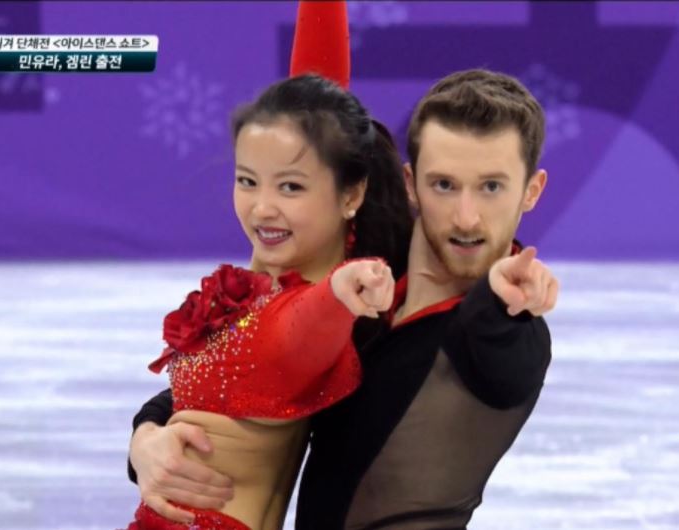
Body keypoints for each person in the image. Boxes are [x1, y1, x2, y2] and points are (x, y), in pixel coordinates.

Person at [128, 68, 558, 530]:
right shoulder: (364, 295)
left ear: (531, 192)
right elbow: (243, 377)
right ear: (411, 183)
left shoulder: (506, 331)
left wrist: (499, 298)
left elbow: (501, 349)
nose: (466, 217)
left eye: (491, 187)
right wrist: (147, 438)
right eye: (444, 185)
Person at [124, 72, 414, 530]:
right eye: (247, 180)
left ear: (352, 193)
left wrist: (345, 288)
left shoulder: (319, 304)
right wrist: (144, 437)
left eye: (290, 187)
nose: (261, 208)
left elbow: (304, 323)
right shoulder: (273, 272)